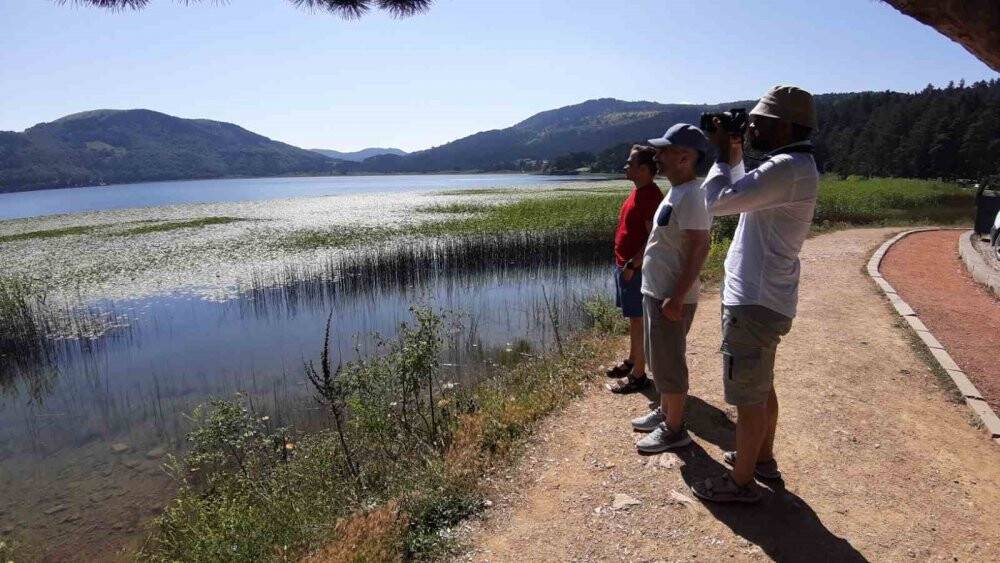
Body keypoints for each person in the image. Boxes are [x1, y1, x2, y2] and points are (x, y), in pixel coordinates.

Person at [690, 85, 819, 503]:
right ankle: (761, 459)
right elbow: (744, 191)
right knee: (761, 387)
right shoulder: (793, 167)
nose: (750, 128)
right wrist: (734, 151)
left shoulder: (786, 168)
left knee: (747, 396)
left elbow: (718, 201)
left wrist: (721, 154)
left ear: (783, 125)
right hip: (766, 297)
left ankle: (741, 482)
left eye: (758, 123)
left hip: (754, 301)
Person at [628, 124, 713, 452]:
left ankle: (675, 429)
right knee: (659, 359)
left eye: (663, 151)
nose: (657, 156)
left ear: (685, 157)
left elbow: (700, 247)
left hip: (669, 296)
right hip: (656, 291)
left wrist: (677, 297)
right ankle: (665, 412)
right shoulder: (677, 192)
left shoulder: (693, 194)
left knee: (669, 362)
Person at [605, 145, 664, 394]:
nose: (625, 166)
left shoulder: (650, 195)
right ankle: (632, 361)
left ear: (643, 169)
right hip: (626, 266)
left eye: (630, 163)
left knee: (639, 320)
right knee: (634, 318)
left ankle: (639, 375)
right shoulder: (638, 191)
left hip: (635, 268)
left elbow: (654, 237)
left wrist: (632, 264)